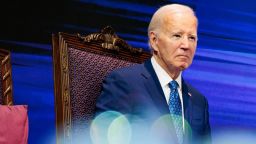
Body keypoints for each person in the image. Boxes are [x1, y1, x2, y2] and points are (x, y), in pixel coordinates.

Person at [95, 4, 211, 144]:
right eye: (177, 35)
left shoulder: (199, 101)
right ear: (154, 40)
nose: (186, 45)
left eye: (192, 38)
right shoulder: (123, 84)